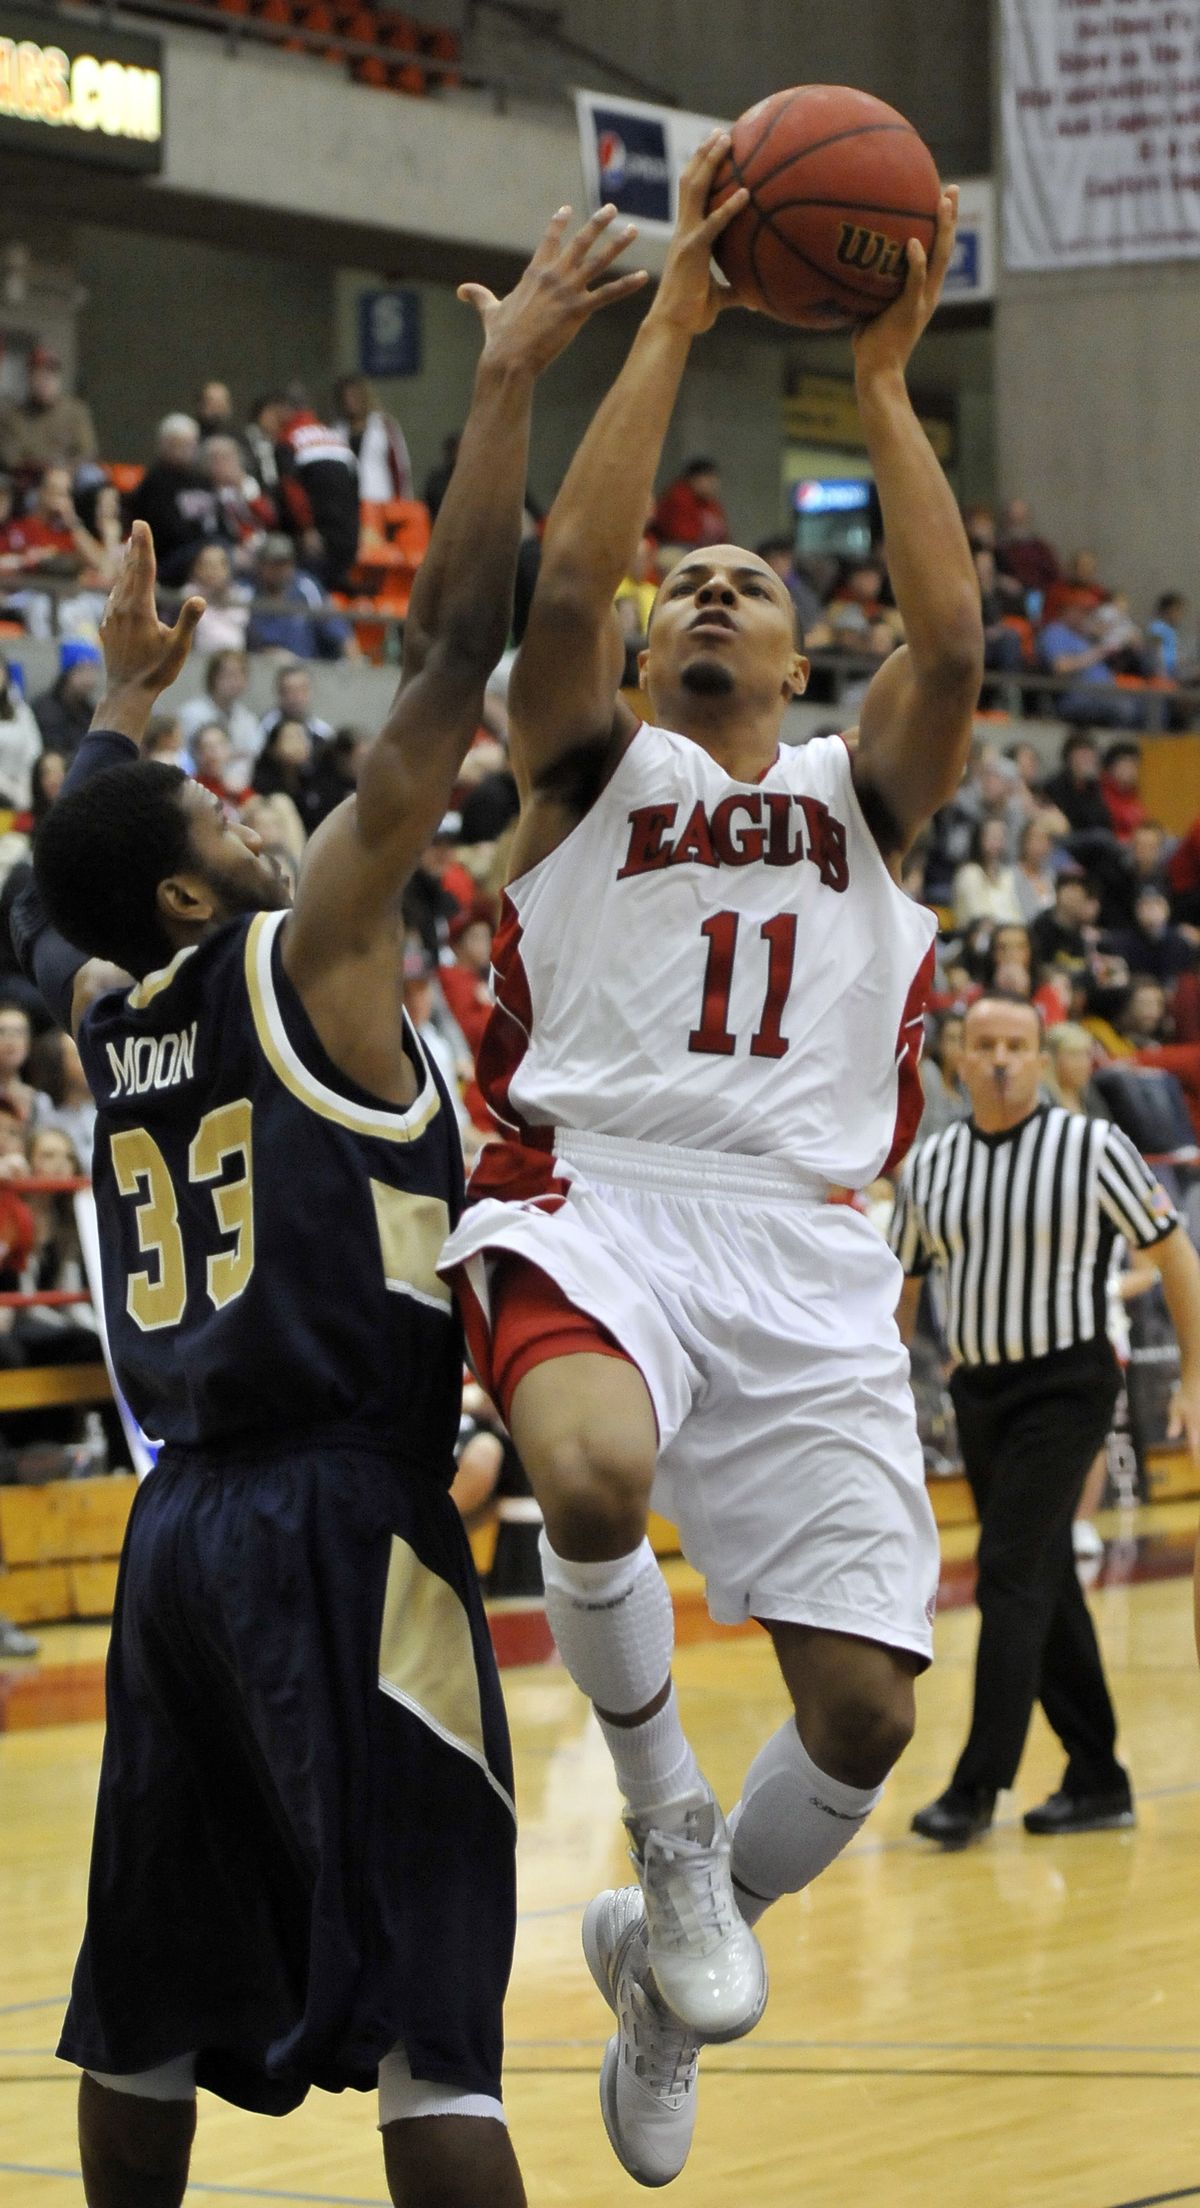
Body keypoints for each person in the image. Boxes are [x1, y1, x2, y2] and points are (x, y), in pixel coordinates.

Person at [13, 205, 646, 2208]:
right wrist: (509, 377)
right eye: (218, 817)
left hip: (175, 1534)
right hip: (338, 1520)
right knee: (441, 2028)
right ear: (206, 890)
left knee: (151, 1999)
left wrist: (115, 717)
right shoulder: (318, 954)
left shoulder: (120, 1009)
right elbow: (458, 648)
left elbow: (63, 894)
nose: (258, 810)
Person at [436, 143, 982, 2188]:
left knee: (862, 1723)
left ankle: (678, 1967)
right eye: (704, 578)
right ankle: (667, 1832)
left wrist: (894, 386)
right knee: (584, 1474)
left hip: (812, 1248)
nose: (724, 585)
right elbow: (567, 587)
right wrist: (671, 316)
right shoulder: (590, 769)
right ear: (668, 645)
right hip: (603, 1195)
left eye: (762, 578)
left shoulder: (867, 796)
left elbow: (951, 635)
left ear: (799, 657)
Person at [893, 994, 1200, 1845]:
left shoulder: (1092, 1146)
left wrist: (1195, 1382)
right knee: (1046, 1576)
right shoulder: (931, 1165)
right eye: (984, 1044)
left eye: (1016, 1046)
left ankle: (975, 1788)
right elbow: (906, 1289)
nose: (999, 1058)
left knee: (1008, 1573)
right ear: (958, 1058)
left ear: (1040, 1058)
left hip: (1069, 1383)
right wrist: (886, 1397)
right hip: (979, 1390)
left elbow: (1177, 1254)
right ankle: (1098, 1778)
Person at [245, 534, 352, 660]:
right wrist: (270, 654)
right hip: (261, 667)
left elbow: (340, 633)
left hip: (305, 669)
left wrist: (356, 665)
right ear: (261, 565)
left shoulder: (307, 587)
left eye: (285, 563)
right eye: (274, 564)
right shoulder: (248, 593)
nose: (280, 570)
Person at [0, 344, 98, 479]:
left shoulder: (75, 411)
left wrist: (66, 470)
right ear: (29, 378)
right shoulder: (13, 416)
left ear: (58, 378)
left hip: (68, 475)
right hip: (31, 479)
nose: (44, 381)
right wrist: (41, 469)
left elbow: (88, 451)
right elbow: (10, 458)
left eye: (50, 375)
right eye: (38, 374)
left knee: (92, 475)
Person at [334, 374, 414, 502]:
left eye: (354, 396)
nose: (350, 401)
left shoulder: (384, 425)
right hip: (349, 505)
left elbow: (400, 468)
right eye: (346, 397)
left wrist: (403, 502)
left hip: (380, 501)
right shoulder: (336, 431)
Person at [33, 639, 104, 757]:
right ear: (67, 673)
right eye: (82, 670)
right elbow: (53, 753)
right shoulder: (46, 709)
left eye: (93, 670)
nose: (89, 678)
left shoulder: (89, 710)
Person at [651, 455, 729, 547]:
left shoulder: (712, 504)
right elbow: (680, 534)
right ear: (694, 479)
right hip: (674, 547)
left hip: (703, 550)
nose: (712, 484)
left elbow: (723, 536)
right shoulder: (679, 497)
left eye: (713, 480)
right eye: (707, 479)